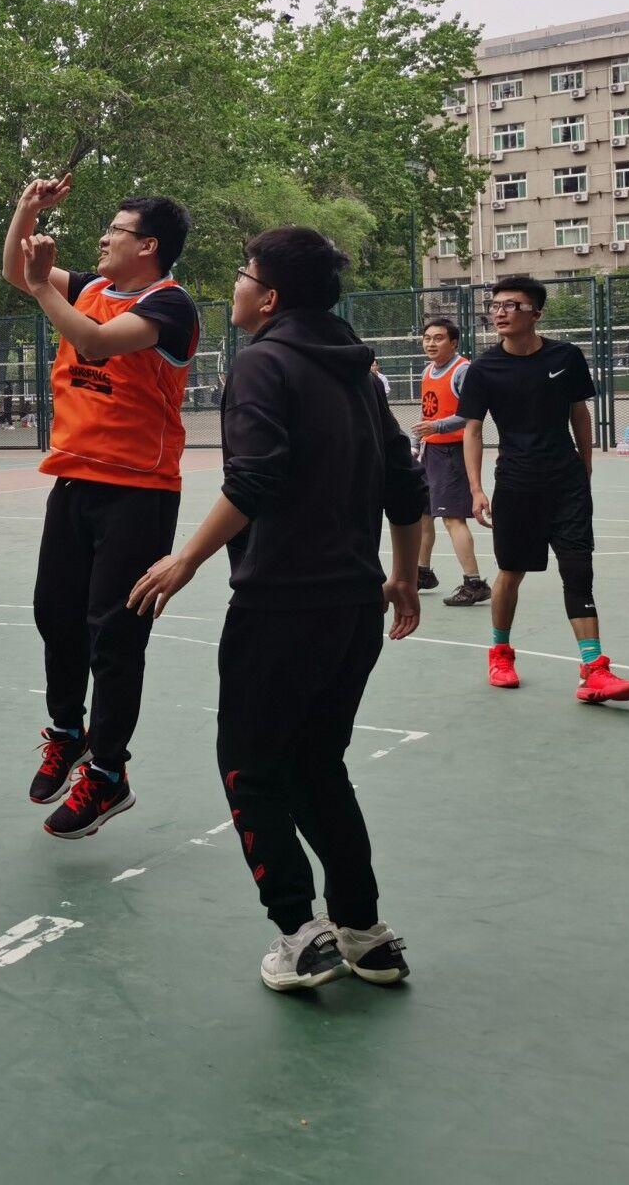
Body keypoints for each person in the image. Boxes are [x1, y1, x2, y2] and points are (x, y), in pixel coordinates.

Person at [128, 228, 423, 993]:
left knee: (251, 770)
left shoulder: (261, 365)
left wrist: (185, 559)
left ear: (268, 298)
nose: (234, 285)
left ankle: (299, 933)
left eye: (242, 274)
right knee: (318, 766)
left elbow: (254, 477)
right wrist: (399, 574)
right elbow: (406, 487)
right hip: (352, 609)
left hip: (281, 608)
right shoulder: (358, 372)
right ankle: (364, 933)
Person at [0, 178, 199, 838]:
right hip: (75, 479)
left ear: (148, 246)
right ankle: (67, 733)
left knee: (114, 636)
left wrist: (41, 287)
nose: (104, 237)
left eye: (116, 230)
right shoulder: (90, 287)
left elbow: (93, 343)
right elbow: (15, 269)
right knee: (54, 613)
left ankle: (109, 773)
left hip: (140, 491)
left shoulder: (170, 306)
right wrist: (27, 210)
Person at [460, 276, 629, 703]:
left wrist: (585, 465)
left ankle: (594, 669)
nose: (500, 312)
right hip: (516, 484)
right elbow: (472, 431)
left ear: (536, 314)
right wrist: (477, 489)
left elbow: (580, 413)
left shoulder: (566, 356)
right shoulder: (484, 368)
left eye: (511, 305)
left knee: (578, 570)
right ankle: (500, 655)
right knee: (511, 571)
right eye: (495, 305)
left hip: (566, 482)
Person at [411, 317, 488, 606]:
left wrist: (438, 427)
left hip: (453, 453)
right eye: (427, 338)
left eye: (438, 338)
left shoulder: (463, 371)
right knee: (423, 514)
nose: (431, 343)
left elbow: (472, 415)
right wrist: (416, 443)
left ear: (453, 342)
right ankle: (422, 572)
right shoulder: (427, 370)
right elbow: (427, 413)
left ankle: (474, 582)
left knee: (452, 518)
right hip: (430, 451)